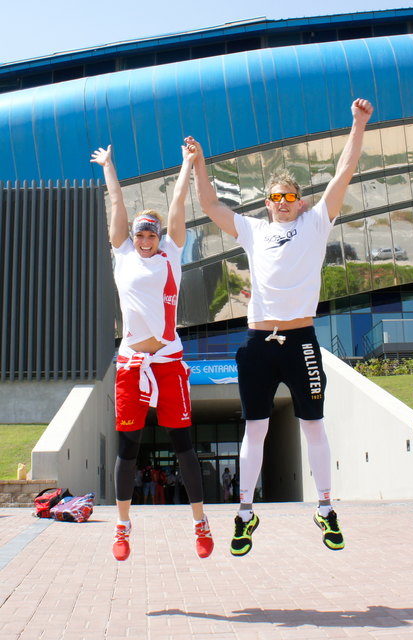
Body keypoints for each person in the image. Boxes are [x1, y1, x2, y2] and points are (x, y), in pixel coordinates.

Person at [188, 98, 374, 556]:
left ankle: (326, 508)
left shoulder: (316, 223)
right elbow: (209, 203)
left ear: (300, 201)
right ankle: (245, 513)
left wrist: (358, 123)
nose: (283, 204)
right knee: (256, 429)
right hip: (257, 342)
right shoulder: (252, 229)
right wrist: (198, 163)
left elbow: (344, 171)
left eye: (290, 198)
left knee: (313, 425)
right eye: (276, 199)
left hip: (301, 341)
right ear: (267, 203)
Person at [90, 143, 214, 561]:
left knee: (184, 446)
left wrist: (185, 164)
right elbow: (118, 204)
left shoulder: (171, 255)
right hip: (131, 362)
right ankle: (122, 527)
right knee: (128, 450)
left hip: (168, 360)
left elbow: (178, 202)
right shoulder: (121, 254)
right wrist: (109, 165)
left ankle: (200, 522)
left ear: (159, 237)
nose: (144, 239)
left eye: (150, 234)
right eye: (140, 233)